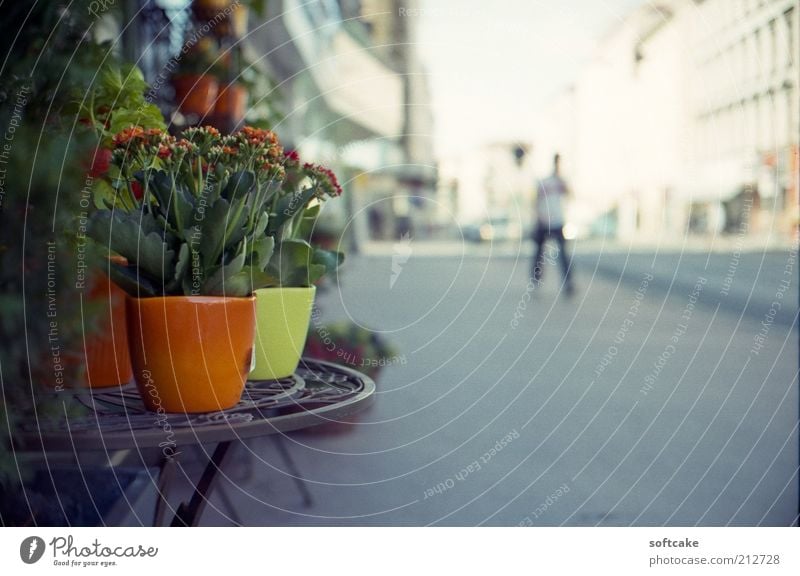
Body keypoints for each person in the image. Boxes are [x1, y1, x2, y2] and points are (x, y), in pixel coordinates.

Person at [532, 154, 574, 295]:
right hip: (545, 221)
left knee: (562, 253)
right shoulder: (543, 182)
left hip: (557, 221)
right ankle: (536, 278)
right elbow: (536, 201)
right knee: (540, 253)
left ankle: (568, 282)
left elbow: (570, 194)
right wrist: (538, 216)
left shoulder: (561, 182)